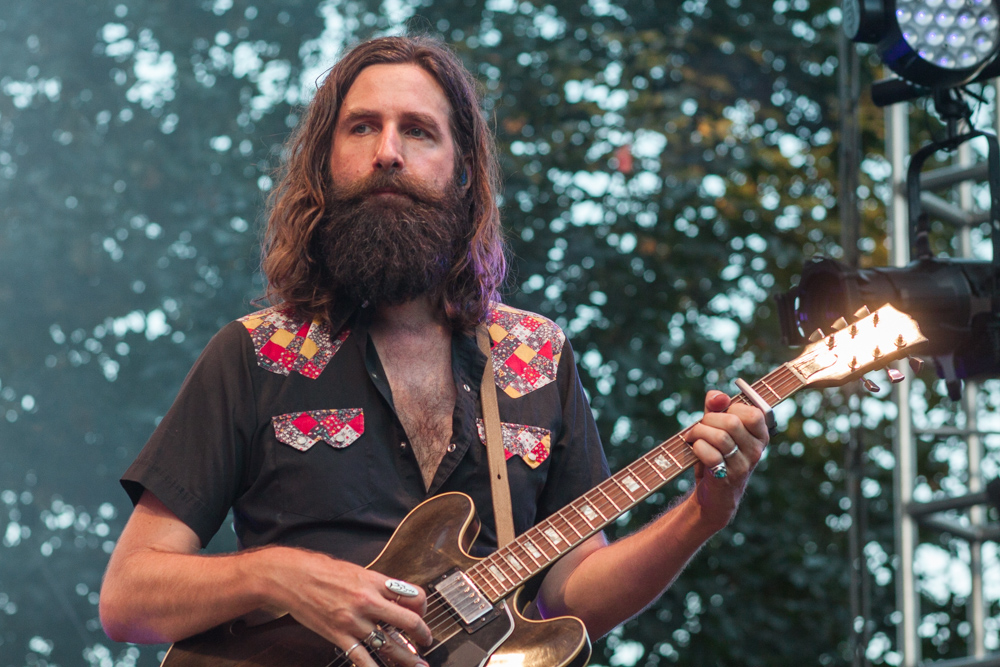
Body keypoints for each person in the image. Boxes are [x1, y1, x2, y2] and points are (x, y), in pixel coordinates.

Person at [99, 35, 770, 667]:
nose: (387, 151)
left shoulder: (535, 356)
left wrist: (701, 515)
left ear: (463, 173)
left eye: (418, 130)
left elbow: (574, 596)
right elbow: (129, 596)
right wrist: (278, 574)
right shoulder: (254, 354)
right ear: (325, 166)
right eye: (362, 127)